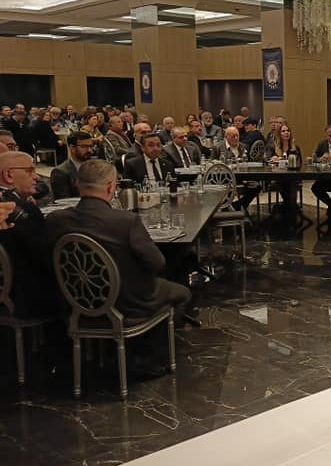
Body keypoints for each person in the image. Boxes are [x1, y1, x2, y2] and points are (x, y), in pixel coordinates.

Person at [46, 159, 192, 323]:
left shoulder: (55, 220)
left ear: (77, 184)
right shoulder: (126, 221)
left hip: (77, 300)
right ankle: (157, 335)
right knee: (183, 293)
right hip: (129, 303)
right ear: (110, 187)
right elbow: (157, 263)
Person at [0, 152, 60, 317]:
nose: (37, 177)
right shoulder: (20, 209)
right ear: (9, 175)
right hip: (27, 299)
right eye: (29, 170)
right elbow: (45, 256)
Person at [50, 131, 94, 200]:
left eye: (91, 146)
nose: (89, 150)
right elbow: (64, 201)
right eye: (84, 146)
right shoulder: (60, 172)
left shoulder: (95, 167)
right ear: (72, 148)